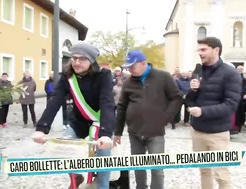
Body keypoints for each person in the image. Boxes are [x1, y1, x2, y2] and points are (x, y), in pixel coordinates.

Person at [32, 41, 115, 189]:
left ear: (91, 61)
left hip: (101, 124)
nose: (76, 62)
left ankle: (103, 186)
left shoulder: (103, 75)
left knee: (103, 162)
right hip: (78, 123)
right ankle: (77, 176)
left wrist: (106, 134)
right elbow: (55, 101)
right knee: (64, 151)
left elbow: (107, 102)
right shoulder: (67, 76)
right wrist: (41, 128)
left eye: (82, 59)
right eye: (74, 58)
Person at [114, 50, 182, 189]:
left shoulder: (163, 77)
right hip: (134, 132)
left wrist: (165, 117)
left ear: (144, 63)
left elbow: (176, 98)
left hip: (155, 132)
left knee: (157, 168)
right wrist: (118, 132)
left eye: (133, 66)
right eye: (128, 67)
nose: (130, 70)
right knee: (138, 167)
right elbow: (121, 107)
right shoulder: (128, 83)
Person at [186, 37, 242, 189]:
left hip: (218, 133)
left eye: (203, 49)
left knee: (221, 174)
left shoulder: (231, 74)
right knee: (204, 170)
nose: (199, 53)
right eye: (198, 50)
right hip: (198, 131)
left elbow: (231, 105)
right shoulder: (198, 72)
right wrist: (193, 90)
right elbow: (189, 101)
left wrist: (202, 111)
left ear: (216, 50)